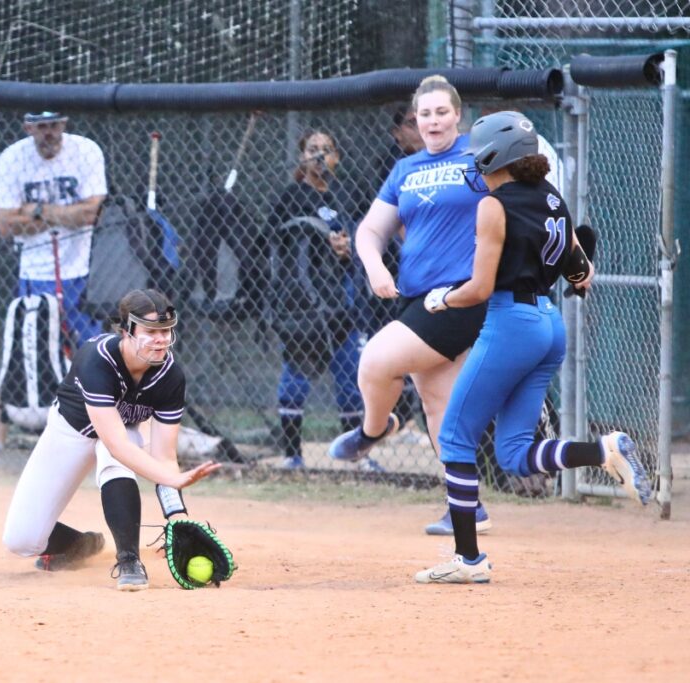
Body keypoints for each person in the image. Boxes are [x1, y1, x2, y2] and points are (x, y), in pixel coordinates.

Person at [414, 111, 651, 584]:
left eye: (478, 155)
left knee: (456, 438)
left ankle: (468, 560)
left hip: (511, 323)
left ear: (495, 156)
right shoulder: (552, 197)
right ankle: (603, 451)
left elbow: (479, 289)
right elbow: (582, 274)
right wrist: (570, 272)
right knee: (516, 453)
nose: (474, 164)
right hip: (548, 325)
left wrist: (441, 298)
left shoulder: (493, 205)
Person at [327, 76, 492, 534]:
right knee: (438, 404)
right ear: (414, 121)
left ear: (457, 115)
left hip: (459, 296)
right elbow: (370, 230)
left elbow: (521, 206)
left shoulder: (479, 159)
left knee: (375, 362)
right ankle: (467, 506)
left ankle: (375, 429)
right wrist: (375, 268)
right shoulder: (406, 169)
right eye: (424, 114)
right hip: (419, 297)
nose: (433, 121)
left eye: (442, 112)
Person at [2, 289, 221, 591]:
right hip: (71, 430)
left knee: (115, 457)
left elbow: (164, 457)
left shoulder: (170, 375)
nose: (161, 339)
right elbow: (117, 442)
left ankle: (129, 560)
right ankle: (80, 544)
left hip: (124, 433)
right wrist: (176, 479)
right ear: (127, 330)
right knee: (21, 540)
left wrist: (176, 515)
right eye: (151, 331)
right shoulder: (98, 359)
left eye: (166, 331)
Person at [0, 112, 108, 453]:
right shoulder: (12, 158)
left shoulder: (86, 151)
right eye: (40, 127)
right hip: (33, 274)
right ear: (27, 127)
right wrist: (63, 213)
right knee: (21, 354)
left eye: (54, 125)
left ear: (65, 123)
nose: (48, 133)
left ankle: (100, 439)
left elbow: (91, 214)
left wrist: (36, 210)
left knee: (92, 353)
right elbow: (6, 225)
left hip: (82, 272)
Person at [267, 129, 368, 471]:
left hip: (342, 297)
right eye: (312, 149)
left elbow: (364, 234)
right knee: (295, 378)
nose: (320, 155)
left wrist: (347, 246)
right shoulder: (291, 195)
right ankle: (292, 456)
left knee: (350, 378)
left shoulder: (346, 194)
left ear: (336, 157)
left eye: (327, 149)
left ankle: (355, 457)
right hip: (305, 301)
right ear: (301, 156)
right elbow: (274, 241)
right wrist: (322, 241)